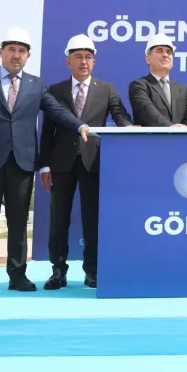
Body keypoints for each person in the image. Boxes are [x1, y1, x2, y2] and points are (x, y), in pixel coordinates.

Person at [0, 28, 89, 296]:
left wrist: (79, 126)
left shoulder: (36, 85)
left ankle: (17, 275)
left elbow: (56, 111)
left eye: (21, 51)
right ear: (1, 52)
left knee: (19, 223)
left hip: (22, 163)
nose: (16, 55)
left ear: (28, 56)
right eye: (11, 50)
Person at [38, 34, 133, 290]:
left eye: (88, 57)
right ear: (68, 61)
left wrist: (129, 128)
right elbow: (47, 131)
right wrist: (45, 165)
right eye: (78, 57)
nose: (83, 62)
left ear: (94, 62)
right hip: (61, 164)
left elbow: (120, 115)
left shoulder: (107, 89)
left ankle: (92, 271)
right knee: (59, 219)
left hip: (94, 163)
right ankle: (58, 270)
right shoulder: (55, 90)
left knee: (93, 220)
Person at [128, 34, 187, 127]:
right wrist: (170, 128)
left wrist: (183, 128)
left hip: (180, 136)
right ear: (148, 59)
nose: (165, 55)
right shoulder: (139, 85)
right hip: (151, 136)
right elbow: (147, 112)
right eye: (159, 51)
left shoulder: (182, 89)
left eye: (169, 52)